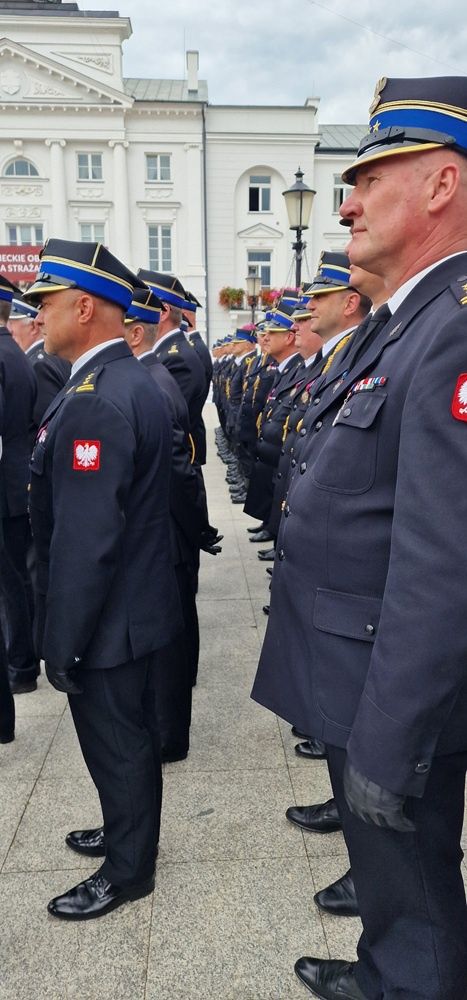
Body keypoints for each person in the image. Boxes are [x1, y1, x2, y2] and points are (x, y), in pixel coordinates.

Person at [252, 76, 467, 1000]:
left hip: (394, 695)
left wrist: (389, 739)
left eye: (371, 175)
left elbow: (442, 565)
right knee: (392, 892)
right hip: (361, 673)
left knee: (415, 897)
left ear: (440, 186)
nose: (344, 201)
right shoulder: (402, 324)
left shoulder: (450, 330)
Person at [24, 238, 182, 920]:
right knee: (130, 739)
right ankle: (127, 834)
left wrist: (62, 641)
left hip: (109, 617)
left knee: (116, 741)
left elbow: (86, 543)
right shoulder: (123, 380)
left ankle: (128, 870)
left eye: (46, 304)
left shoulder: (94, 397)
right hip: (136, 604)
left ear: (84, 307)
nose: (35, 319)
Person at [0, 275, 38, 695]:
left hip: (5, 484)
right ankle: (25, 660)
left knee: (9, 580)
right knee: (17, 576)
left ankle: (21, 664)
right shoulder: (15, 353)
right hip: (16, 479)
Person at [8, 295, 71, 441]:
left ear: (33, 326)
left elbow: (49, 427)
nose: (8, 330)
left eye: (12, 323)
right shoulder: (44, 359)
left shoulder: (39, 365)